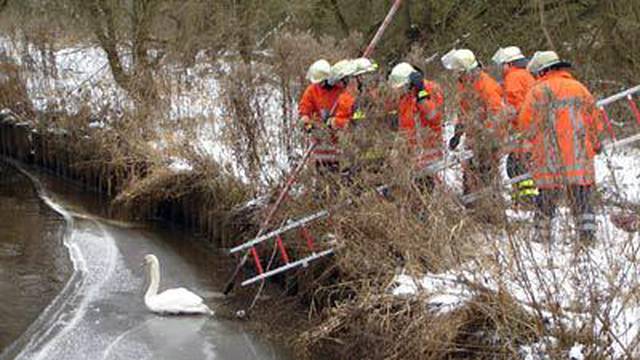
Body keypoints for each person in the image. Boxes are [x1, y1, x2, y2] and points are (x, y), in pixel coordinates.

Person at [517, 51, 605, 244]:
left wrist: (527, 149)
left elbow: (525, 124)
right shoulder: (579, 88)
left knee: (546, 199)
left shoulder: (537, 92)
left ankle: (542, 237)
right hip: (579, 156)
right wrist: (596, 143)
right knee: (582, 198)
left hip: (549, 157)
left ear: (542, 71)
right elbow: (595, 120)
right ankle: (587, 238)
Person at [442, 49, 507, 199]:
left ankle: (489, 212)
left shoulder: (486, 85)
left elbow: (498, 114)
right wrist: (458, 132)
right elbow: (465, 111)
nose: (456, 75)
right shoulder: (465, 84)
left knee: (485, 179)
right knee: (470, 178)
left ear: (464, 70)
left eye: (458, 71)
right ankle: (474, 209)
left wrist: (487, 137)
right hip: (475, 139)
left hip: (488, 141)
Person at [387, 62, 444, 190]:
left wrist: (422, 96)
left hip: (427, 153)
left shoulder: (430, 90)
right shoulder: (405, 97)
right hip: (413, 155)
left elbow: (434, 117)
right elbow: (404, 125)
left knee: (423, 190)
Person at [492, 46, 538, 204]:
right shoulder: (525, 75)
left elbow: (515, 105)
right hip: (531, 127)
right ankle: (525, 197)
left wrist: (500, 122)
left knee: (516, 165)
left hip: (523, 129)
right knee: (519, 164)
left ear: (509, 64)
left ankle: (526, 199)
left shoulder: (514, 77)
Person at [298, 59, 344, 171]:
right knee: (323, 170)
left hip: (341, 139)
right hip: (321, 139)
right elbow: (304, 108)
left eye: (324, 81)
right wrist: (306, 121)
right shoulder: (312, 91)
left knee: (342, 170)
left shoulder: (342, 89)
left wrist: (336, 122)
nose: (322, 84)